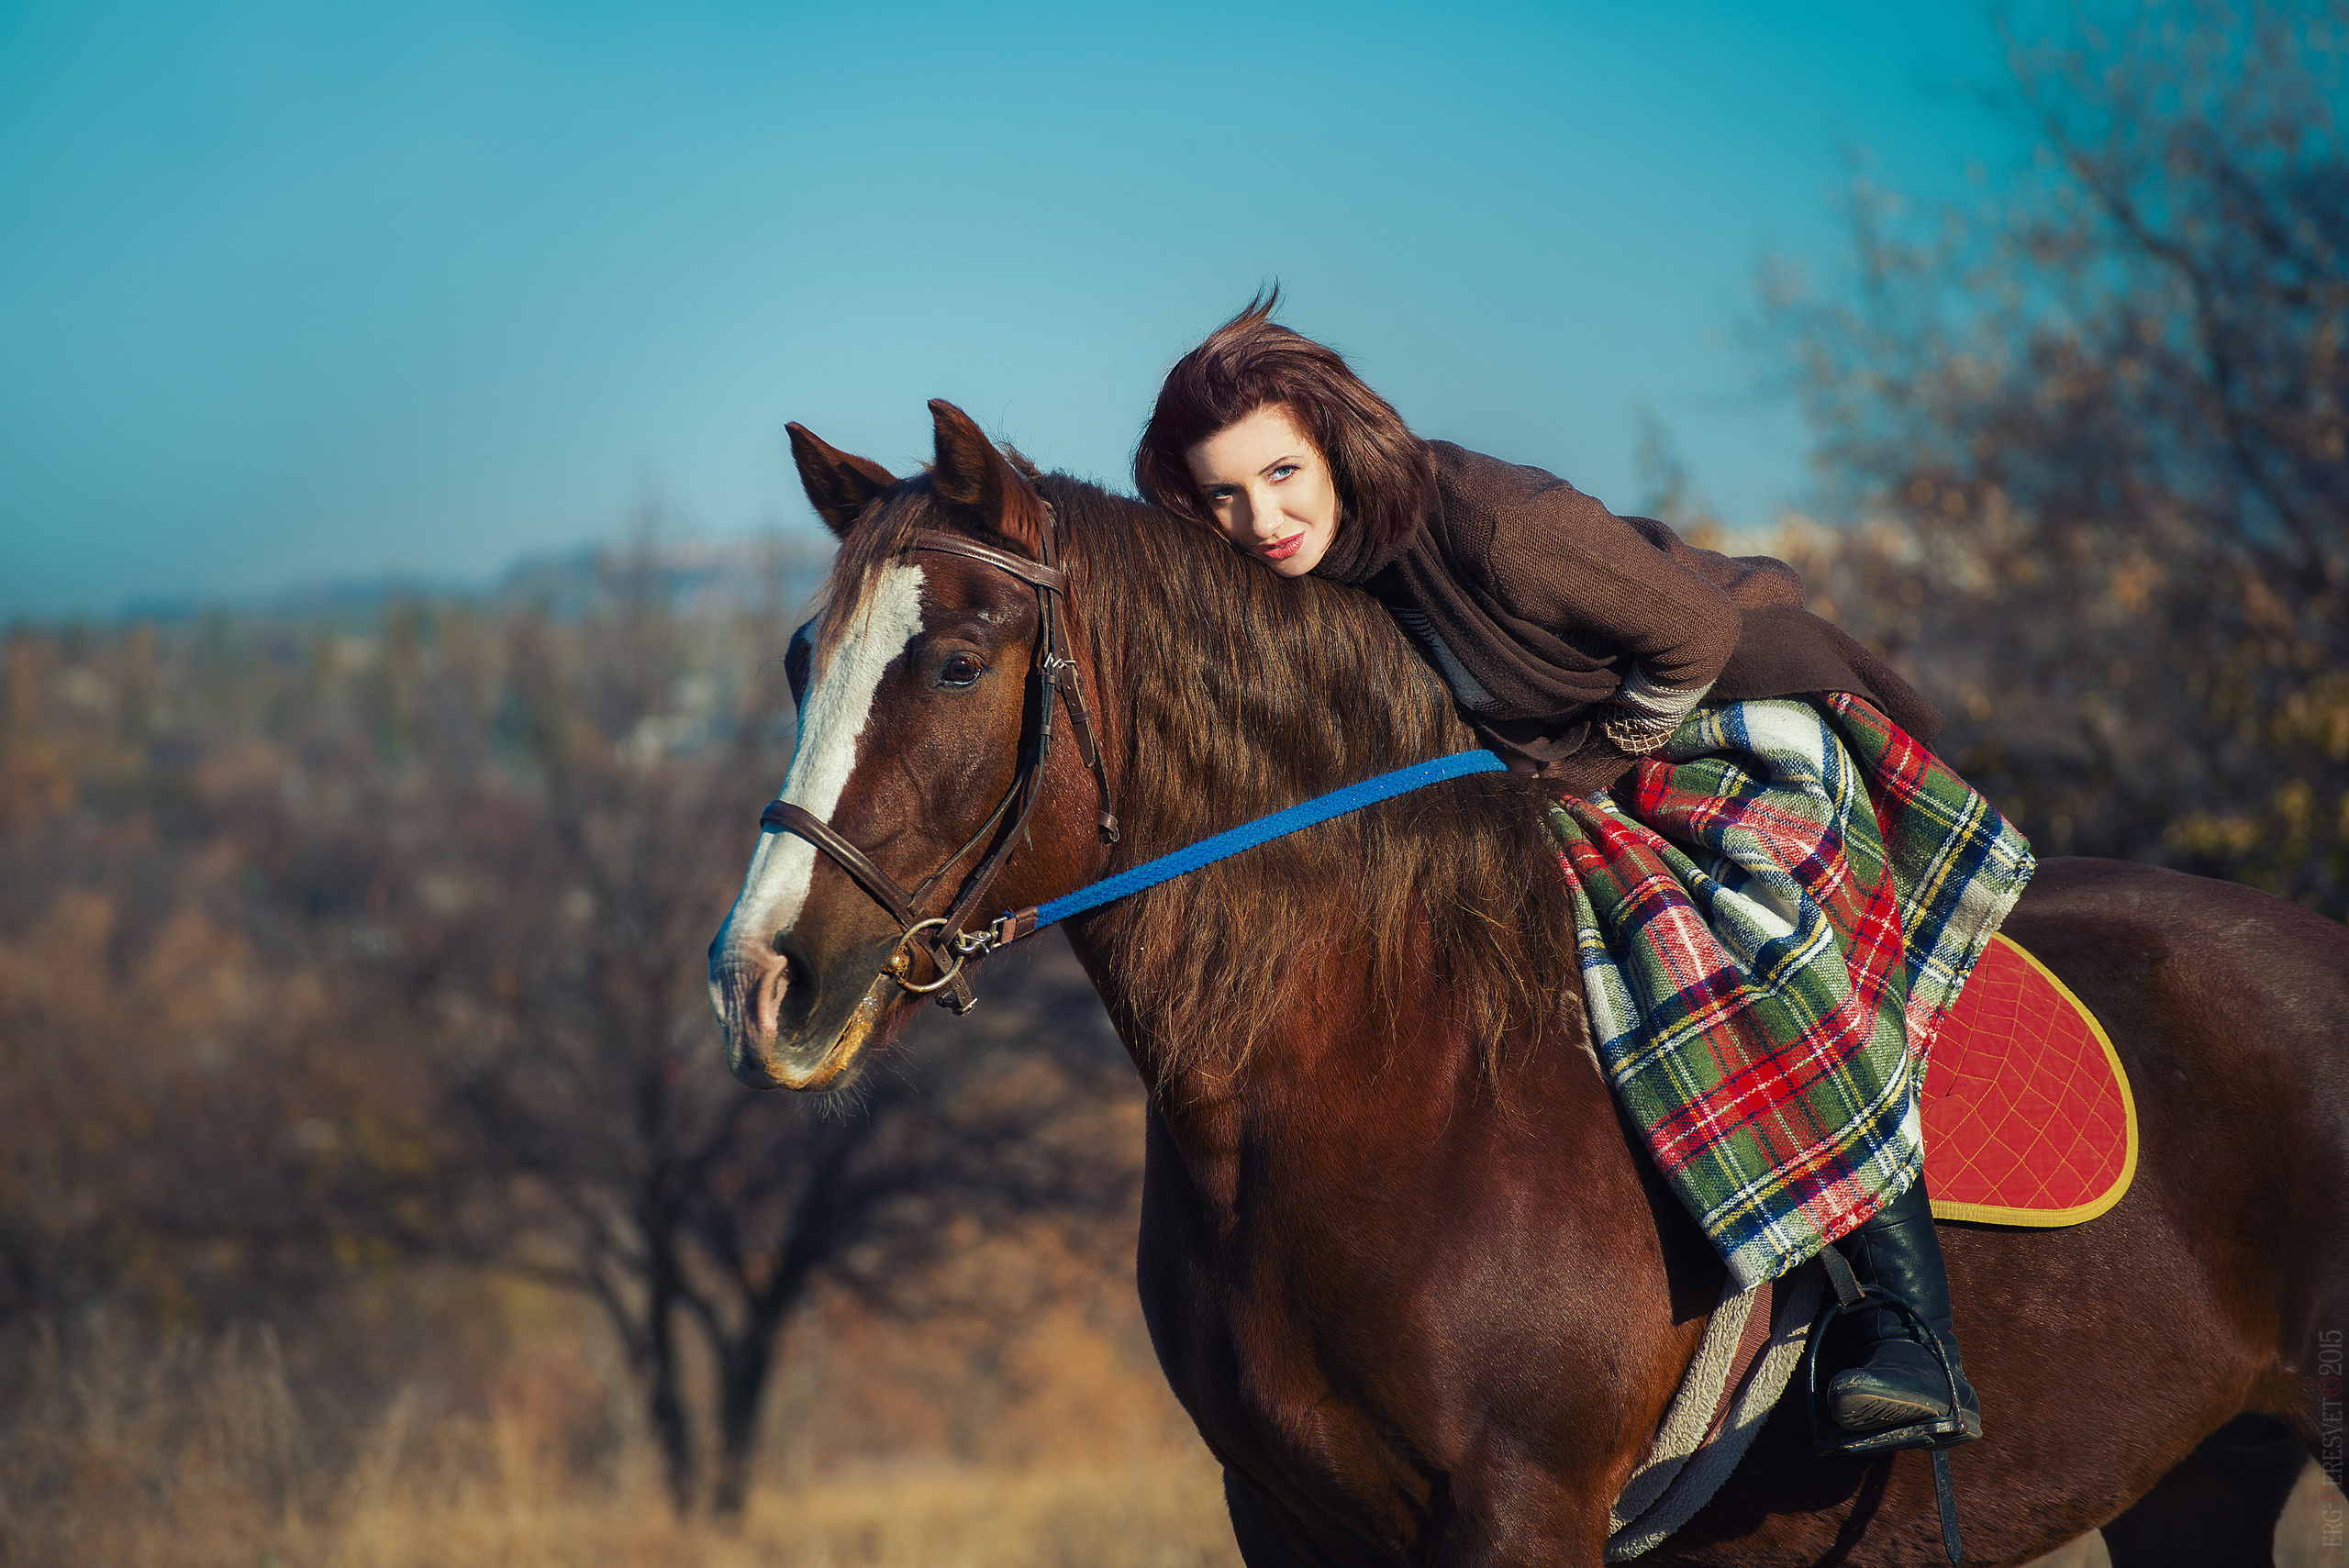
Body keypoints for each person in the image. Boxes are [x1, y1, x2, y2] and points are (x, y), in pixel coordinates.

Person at [1132, 295, 2036, 1449]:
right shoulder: (1301, 575)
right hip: (1547, 779)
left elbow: (1690, 640)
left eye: (1280, 473)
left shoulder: (1496, 522)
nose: (1261, 516)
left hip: (1706, 723)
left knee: (1721, 941)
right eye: (1223, 493)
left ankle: (1914, 1327)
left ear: (1334, 442)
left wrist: (1590, 769)